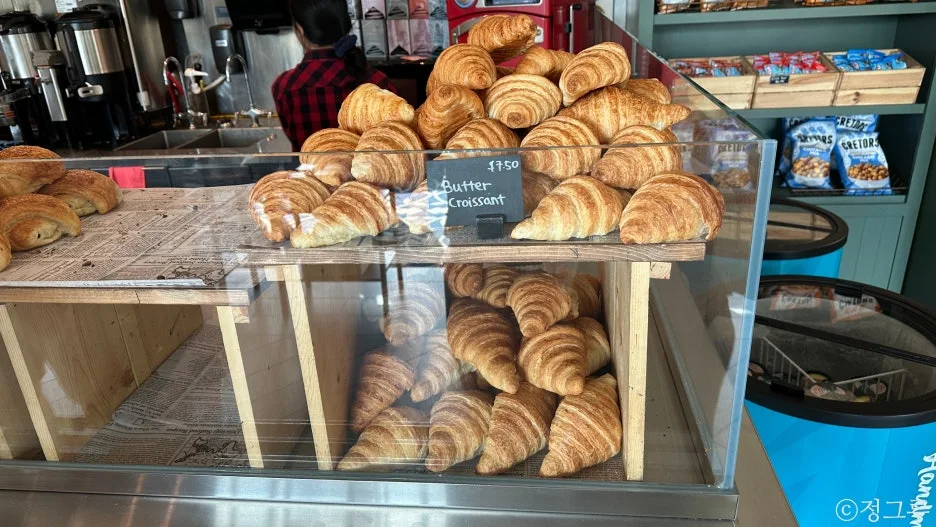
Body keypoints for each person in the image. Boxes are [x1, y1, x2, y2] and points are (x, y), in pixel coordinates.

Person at [274, 0, 397, 150]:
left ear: (299, 29)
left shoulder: (284, 86)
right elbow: (394, 138)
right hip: (369, 166)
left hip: (310, 166)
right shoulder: (379, 82)